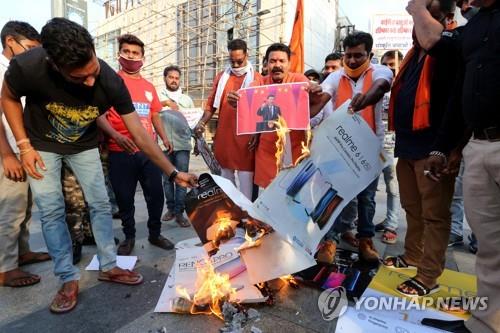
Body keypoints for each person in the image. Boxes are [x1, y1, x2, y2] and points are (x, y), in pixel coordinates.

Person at [1, 18, 197, 313]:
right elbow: (9, 98)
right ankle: (68, 278)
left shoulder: (109, 80)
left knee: (101, 204)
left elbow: (141, 135)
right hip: (42, 145)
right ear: (54, 65)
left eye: (93, 71)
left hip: (84, 145)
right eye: (80, 78)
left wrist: (173, 172)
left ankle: (110, 265)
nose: (91, 83)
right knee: (52, 209)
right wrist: (23, 146)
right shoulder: (28, 66)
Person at [421, 0, 500, 331]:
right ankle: (485, 324)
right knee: (490, 249)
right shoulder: (477, 26)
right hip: (479, 145)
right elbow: (460, 92)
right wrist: (443, 147)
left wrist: (417, 8)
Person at [382, 0, 459, 297]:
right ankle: (412, 255)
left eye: (430, 16)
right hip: (407, 146)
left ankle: (428, 275)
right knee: (411, 209)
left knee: (435, 215)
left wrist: (451, 148)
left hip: (433, 149)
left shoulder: (451, 50)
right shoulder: (413, 55)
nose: (420, 22)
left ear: (448, 20)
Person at [313, 32, 393, 263]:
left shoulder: (380, 71)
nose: (353, 61)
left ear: (370, 54)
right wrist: (305, 107)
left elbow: (380, 87)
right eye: (348, 56)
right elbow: (323, 97)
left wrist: (365, 99)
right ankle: (330, 240)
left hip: (369, 148)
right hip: (340, 146)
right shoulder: (336, 77)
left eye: (358, 55)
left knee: (366, 199)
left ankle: (366, 241)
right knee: (335, 195)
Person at [98, 34, 176, 255]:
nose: (131, 56)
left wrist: (164, 137)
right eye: (127, 52)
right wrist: (115, 135)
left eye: (136, 53)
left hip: (148, 151)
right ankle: (129, 236)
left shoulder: (149, 87)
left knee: (156, 195)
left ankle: (155, 233)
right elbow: (99, 116)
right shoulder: (109, 82)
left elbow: (155, 116)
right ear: (119, 54)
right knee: (124, 198)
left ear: (143, 57)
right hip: (119, 151)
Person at [0, 20, 51, 288]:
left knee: (25, 208)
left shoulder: (19, 71)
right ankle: (5, 267)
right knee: (10, 210)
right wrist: (7, 154)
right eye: (29, 47)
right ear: (10, 41)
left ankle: (22, 252)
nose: (33, 54)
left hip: (25, 151)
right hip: (7, 152)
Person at [250, 43, 322, 189]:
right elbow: (248, 98)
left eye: (281, 61)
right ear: (267, 64)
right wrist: (237, 100)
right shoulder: (260, 83)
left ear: (289, 63)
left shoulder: (299, 80)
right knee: (268, 195)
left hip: (296, 147)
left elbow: (315, 102)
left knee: (294, 194)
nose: (277, 65)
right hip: (268, 150)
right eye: (273, 61)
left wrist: (316, 90)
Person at [195, 39, 260, 199]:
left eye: (240, 61)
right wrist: (201, 123)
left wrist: (257, 134)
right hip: (225, 136)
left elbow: (260, 111)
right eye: (233, 62)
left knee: (246, 184)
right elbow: (211, 104)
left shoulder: (257, 79)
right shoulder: (221, 77)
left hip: (246, 138)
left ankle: (246, 218)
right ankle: (230, 216)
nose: (236, 66)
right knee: (226, 182)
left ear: (247, 55)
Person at [374, 50, 404, 244]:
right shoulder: (376, 87)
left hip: (395, 147)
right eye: (385, 65)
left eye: (392, 65)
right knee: (369, 190)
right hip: (374, 146)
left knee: (393, 188)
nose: (389, 69)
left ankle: (392, 225)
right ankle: (367, 223)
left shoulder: (404, 87)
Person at [159, 65, 194, 227]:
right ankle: (171, 209)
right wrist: (165, 103)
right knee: (167, 179)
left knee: (182, 180)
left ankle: (180, 212)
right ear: (165, 78)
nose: (174, 80)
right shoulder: (158, 96)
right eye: (171, 77)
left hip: (182, 146)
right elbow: (151, 112)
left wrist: (196, 141)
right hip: (164, 145)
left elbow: (192, 121)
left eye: (176, 78)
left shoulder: (187, 100)